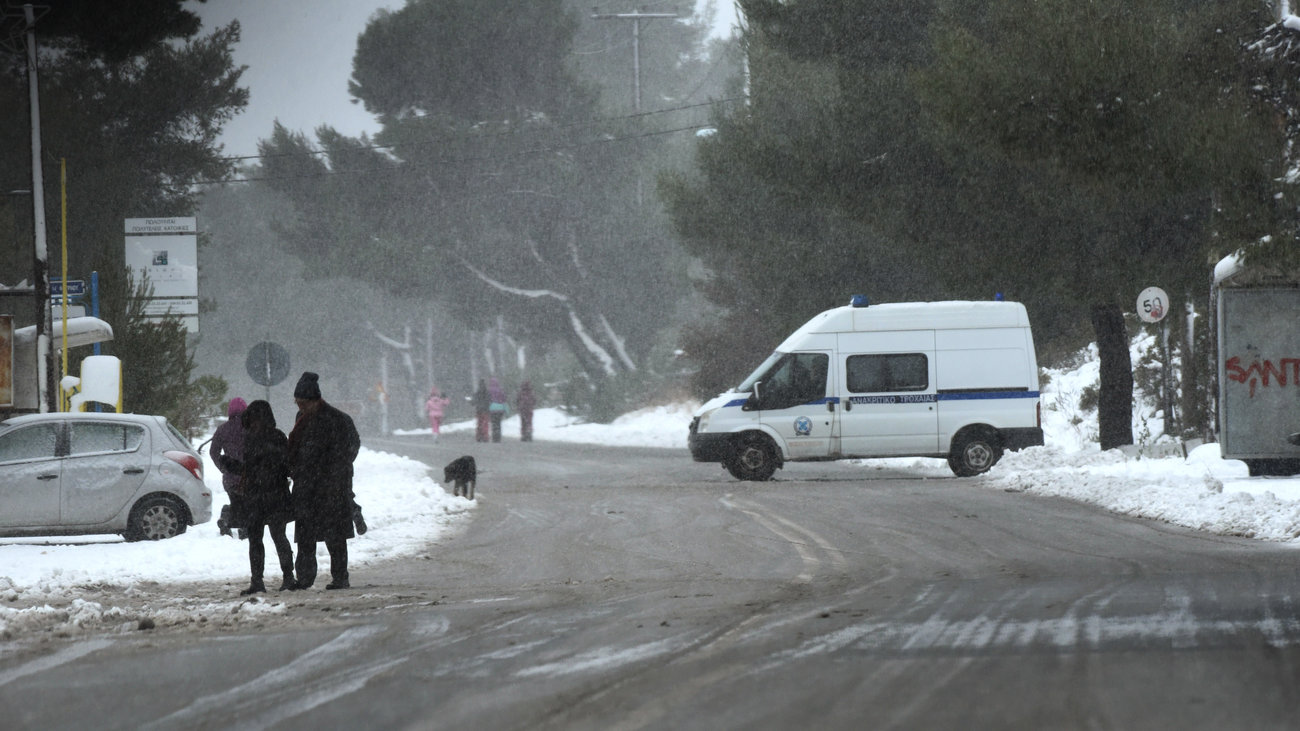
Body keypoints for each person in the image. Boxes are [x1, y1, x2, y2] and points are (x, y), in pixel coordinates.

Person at [287, 372, 361, 590]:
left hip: (331, 488)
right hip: (306, 487)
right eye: (297, 403)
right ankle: (304, 578)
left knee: (334, 535)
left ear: (315, 400)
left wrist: (335, 471)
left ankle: (340, 577)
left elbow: (352, 447)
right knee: (305, 536)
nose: (300, 407)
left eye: (303, 403)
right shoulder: (301, 419)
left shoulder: (338, 419)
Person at [237, 400, 296, 595]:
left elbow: (250, 467)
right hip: (275, 494)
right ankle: (287, 577)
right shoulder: (277, 437)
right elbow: (286, 465)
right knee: (277, 536)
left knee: (258, 540)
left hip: (258, 496)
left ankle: (259, 581)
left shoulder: (252, 438)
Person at [211, 397, 248, 538]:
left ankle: (226, 518)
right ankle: (244, 528)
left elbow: (213, 452)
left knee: (236, 501)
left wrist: (223, 467)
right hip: (248, 475)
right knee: (247, 504)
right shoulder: (250, 428)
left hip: (230, 477)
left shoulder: (222, 429)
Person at [488, 377, 509, 443]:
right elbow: (504, 400)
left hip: (492, 409)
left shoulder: (489, 391)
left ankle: (494, 437)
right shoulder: (500, 391)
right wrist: (507, 411)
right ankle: (498, 437)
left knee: (494, 424)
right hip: (500, 409)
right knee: (498, 423)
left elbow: (487, 400)